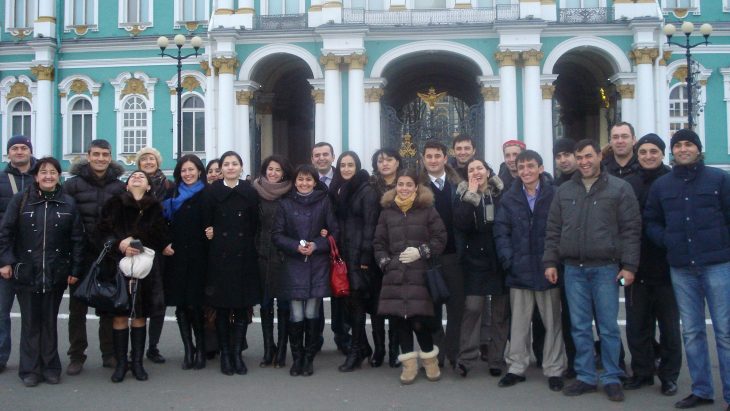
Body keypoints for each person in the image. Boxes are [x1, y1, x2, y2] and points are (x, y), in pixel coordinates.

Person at [544, 139, 641, 402]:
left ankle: (611, 376)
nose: (584, 162)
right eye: (580, 157)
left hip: (606, 269)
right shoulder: (564, 191)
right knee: (579, 326)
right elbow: (553, 230)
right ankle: (586, 376)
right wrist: (550, 262)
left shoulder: (620, 188)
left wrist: (629, 266)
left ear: (599, 156)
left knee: (608, 326)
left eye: (589, 156)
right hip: (573, 269)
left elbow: (631, 230)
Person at [644, 129, 730, 410]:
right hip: (681, 267)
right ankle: (702, 389)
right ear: (673, 151)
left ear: (698, 149)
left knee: (724, 332)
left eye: (688, 145)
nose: (683, 149)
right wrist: (667, 240)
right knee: (692, 332)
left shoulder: (719, 179)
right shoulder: (663, 185)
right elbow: (652, 221)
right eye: (678, 145)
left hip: (716, 264)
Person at [0, 157, 84, 387]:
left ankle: (50, 367)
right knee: (29, 322)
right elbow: (5, 233)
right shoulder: (21, 200)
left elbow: (77, 239)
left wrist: (75, 269)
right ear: (36, 177)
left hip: (55, 272)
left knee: (49, 321)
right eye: (43, 172)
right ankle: (30, 370)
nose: (48, 176)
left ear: (59, 176)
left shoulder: (68, 203)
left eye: (53, 172)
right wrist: (6, 261)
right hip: (27, 271)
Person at [494, 150, 566, 391]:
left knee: (552, 322)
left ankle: (554, 369)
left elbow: (559, 231)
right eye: (521, 166)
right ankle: (516, 367)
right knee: (519, 324)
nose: (525, 171)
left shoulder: (555, 195)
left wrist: (554, 261)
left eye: (530, 166)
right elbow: (501, 232)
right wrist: (509, 261)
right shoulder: (509, 197)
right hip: (519, 269)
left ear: (540, 168)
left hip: (548, 269)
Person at [96, 170, 173, 383]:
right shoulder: (114, 204)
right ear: (127, 185)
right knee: (120, 315)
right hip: (117, 267)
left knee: (140, 316)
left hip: (145, 269)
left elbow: (160, 236)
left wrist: (143, 242)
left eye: (142, 177)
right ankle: (121, 364)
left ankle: (137, 363)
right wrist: (119, 244)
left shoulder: (156, 208)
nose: (137, 178)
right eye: (133, 177)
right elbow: (102, 231)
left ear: (148, 186)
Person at [374, 170, 447, 384]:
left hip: (420, 274)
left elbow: (440, 237)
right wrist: (386, 262)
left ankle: (430, 361)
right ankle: (409, 365)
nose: (404, 188)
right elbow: (378, 243)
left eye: (408, 184)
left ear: (416, 187)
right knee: (400, 322)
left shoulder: (427, 210)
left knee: (420, 320)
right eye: (400, 184)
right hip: (395, 274)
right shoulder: (387, 212)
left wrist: (422, 252)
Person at [622, 134, 681, 396]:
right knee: (636, 324)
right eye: (643, 151)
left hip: (668, 267)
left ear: (662, 153)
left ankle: (669, 376)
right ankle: (642, 371)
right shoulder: (628, 184)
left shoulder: (673, 181)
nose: (648, 156)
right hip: (633, 266)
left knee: (669, 326)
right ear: (637, 153)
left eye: (653, 151)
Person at [63, 139, 125, 375]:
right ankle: (76, 355)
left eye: (105, 155)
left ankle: (108, 354)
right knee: (77, 309)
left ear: (110, 157)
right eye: (96, 154)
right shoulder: (72, 185)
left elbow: (123, 221)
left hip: (108, 255)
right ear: (88, 156)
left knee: (107, 305)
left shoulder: (119, 187)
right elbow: (66, 220)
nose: (100, 159)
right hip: (80, 255)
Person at [272, 164, 339, 377]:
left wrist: (317, 245)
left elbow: (335, 231)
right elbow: (277, 234)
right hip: (293, 264)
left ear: (314, 182)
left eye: (308, 180)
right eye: (300, 179)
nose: (304, 183)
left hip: (317, 264)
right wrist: (295, 247)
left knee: (311, 311)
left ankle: (308, 358)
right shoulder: (285, 203)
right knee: (296, 313)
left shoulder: (324, 201)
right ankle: (297, 358)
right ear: (295, 181)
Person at [203, 151, 261, 376]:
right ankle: (225, 354)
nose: (230, 167)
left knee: (241, 308)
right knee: (222, 308)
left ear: (240, 167)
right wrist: (210, 232)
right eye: (226, 164)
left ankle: (237, 353)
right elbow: (206, 221)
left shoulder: (249, 192)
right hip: (219, 258)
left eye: (234, 164)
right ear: (221, 169)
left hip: (244, 256)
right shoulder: (212, 192)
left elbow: (254, 224)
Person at [451, 158, 506, 378]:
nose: (476, 172)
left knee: (500, 314)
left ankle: (496, 358)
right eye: (471, 170)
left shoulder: (501, 194)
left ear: (488, 171)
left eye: (479, 168)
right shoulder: (462, 195)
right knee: (473, 309)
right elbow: (461, 224)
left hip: (499, 260)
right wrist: (471, 196)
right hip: (474, 262)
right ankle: (466, 359)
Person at [330, 151, 379, 372]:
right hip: (344, 255)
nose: (346, 169)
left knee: (357, 306)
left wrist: (366, 257)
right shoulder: (339, 189)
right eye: (343, 165)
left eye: (350, 165)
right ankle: (364, 347)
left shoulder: (366, 191)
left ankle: (356, 352)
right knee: (349, 305)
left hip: (360, 256)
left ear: (357, 166)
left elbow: (371, 225)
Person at [161, 155, 208, 370]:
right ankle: (188, 349)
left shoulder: (207, 194)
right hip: (177, 256)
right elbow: (161, 224)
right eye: (183, 170)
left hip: (200, 257)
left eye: (191, 170)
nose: (187, 174)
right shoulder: (172, 195)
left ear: (199, 171)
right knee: (181, 305)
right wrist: (164, 243)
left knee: (196, 304)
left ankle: (201, 349)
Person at [420, 140, 464, 367]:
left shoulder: (459, 185)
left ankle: (455, 353)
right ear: (423, 160)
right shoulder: (418, 188)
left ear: (446, 159)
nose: (434, 160)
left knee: (457, 308)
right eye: (429, 156)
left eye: (438, 156)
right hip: (429, 258)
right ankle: (438, 352)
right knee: (432, 309)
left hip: (455, 256)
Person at [252, 155, 293, 369]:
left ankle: (283, 350)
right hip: (262, 255)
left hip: (284, 257)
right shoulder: (255, 192)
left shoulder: (291, 194)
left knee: (284, 306)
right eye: (270, 169)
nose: (273, 173)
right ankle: (269, 349)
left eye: (278, 170)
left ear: (284, 172)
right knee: (266, 304)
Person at [0, 135, 36, 374]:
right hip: (6, 255)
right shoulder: (1, 180)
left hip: (33, 257)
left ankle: (31, 360)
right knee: (2, 312)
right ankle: (1, 357)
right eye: (15, 148)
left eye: (24, 148)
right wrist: (4, 259)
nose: (20, 152)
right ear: (9, 153)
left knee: (32, 316)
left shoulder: (42, 175)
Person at [135, 147, 174, 364]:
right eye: (144, 159)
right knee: (138, 299)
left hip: (161, 250)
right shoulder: (133, 185)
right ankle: (137, 348)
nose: (148, 162)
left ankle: (153, 346)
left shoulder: (169, 186)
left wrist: (168, 242)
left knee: (159, 300)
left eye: (151, 159)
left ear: (158, 162)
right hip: (138, 250)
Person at [311, 142, 351, 353]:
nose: (321, 158)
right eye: (317, 155)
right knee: (315, 293)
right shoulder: (307, 179)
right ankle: (315, 338)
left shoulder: (344, 178)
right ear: (312, 159)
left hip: (340, 244)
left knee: (340, 292)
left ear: (333, 156)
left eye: (325, 154)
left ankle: (342, 335)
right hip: (315, 245)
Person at [369, 148, 403, 368]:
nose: (385, 164)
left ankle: (394, 350)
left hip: (400, 249)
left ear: (397, 162)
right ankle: (379, 349)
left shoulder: (406, 184)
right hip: (375, 249)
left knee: (397, 303)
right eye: (381, 161)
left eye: (389, 160)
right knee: (376, 304)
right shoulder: (370, 187)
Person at [552, 138, 578, 379]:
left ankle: (616, 364)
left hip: (597, 262)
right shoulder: (555, 186)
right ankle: (574, 362)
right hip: (565, 262)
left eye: (568, 154)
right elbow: (552, 228)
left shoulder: (594, 182)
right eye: (559, 156)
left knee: (603, 318)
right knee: (570, 316)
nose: (563, 159)